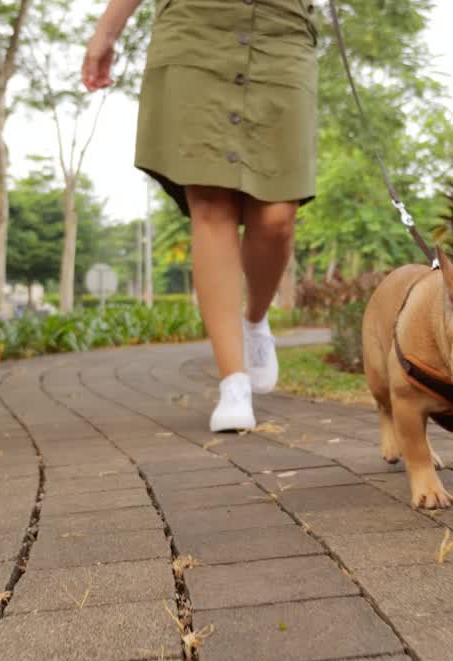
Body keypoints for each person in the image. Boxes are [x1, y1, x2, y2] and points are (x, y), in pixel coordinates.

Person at [83, 0, 318, 432]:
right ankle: (233, 382)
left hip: (280, 31)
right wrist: (106, 32)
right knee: (210, 204)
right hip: (194, 29)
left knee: (276, 217)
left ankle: (254, 321)